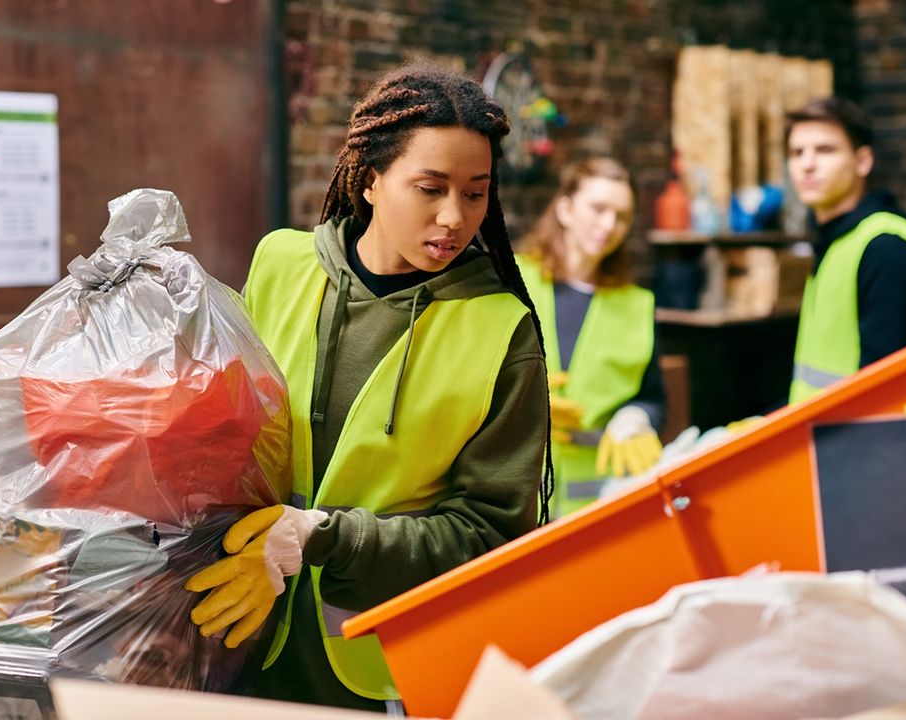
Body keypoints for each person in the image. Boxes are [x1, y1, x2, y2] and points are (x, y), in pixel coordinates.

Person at [183, 62, 553, 712]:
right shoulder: (280, 265)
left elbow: (491, 536)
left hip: (380, 669)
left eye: (476, 193)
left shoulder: (502, 330)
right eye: (431, 187)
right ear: (373, 178)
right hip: (236, 637)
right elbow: (225, 424)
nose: (454, 216)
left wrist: (320, 535)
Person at [516, 158, 665, 516]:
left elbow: (653, 397)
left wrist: (636, 417)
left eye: (622, 216)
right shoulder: (512, 281)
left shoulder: (636, 305)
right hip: (515, 498)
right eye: (598, 209)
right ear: (565, 209)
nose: (609, 225)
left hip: (596, 501)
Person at [786, 97, 906, 403]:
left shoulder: (885, 247)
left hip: (875, 447)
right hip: (827, 442)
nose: (807, 164)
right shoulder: (836, 242)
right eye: (797, 152)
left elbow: (884, 390)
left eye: (825, 150)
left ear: (863, 161)